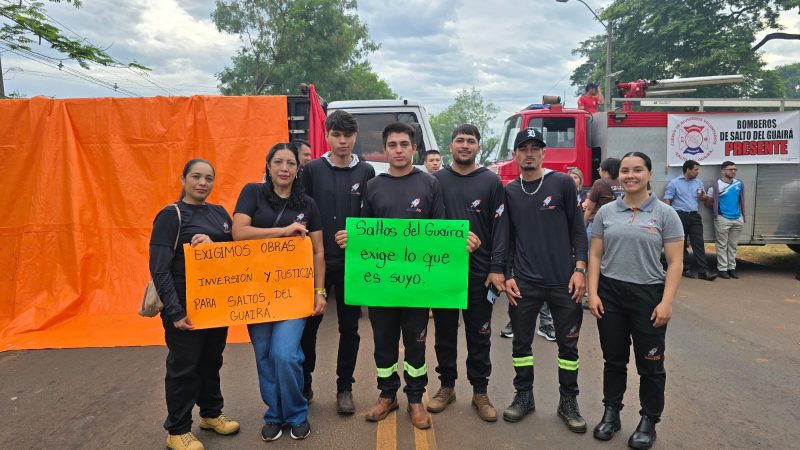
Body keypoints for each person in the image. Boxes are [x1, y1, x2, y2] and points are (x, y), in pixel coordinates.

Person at [334, 122, 478, 430]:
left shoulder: (429, 184)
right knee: (384, 344)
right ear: (384, 150)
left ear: (414, 148)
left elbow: (440, 233)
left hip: (418, 286)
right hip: (382, 287)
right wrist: (351, 239)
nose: (398, 150)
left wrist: (460, 242)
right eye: (392, 145)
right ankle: (388, 395)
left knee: (415, 345)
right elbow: (366, 234)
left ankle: (415, 398)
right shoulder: (374, 186)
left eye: (404, 144)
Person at [587, 151, 684, 450]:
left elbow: (676, 262)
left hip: (648, 296)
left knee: (650, 363)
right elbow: (595, 255)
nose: (630, 175)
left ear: (649, 174)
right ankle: (611, 412)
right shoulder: (607, 212)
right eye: (625, 170)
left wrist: (666, 302)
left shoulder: (665, 214)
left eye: (637, 170)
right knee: (613, 359)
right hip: (611, 294)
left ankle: (648, 420)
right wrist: (592, 293)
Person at [494, 128, 588, 432]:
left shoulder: (561, 183)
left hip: (564, 282)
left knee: (568, 347)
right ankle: (524, 397)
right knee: (521, 344)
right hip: (524, 283)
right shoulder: (510, 191)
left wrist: (580, 269)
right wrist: (508, 275)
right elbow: (507, 239)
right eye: (524, 148)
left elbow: (578, 230)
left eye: (535, 148)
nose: (530, 153)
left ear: (544, 153)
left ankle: (568, 402)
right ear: (515, 154)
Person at [232, 143, 327, 441]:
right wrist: (284, 230)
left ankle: (297, 413)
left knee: (285, 354)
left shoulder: (308, 204)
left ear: (299, 169)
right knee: (264, 356)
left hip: (292, 292)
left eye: (290, 163)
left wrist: (319, 292)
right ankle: (274, 414)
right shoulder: (251, 193)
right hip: (255, 291)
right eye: (278, 162)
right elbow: (239, 233)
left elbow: (318, 251)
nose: (284, 168)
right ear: (268, 166)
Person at [150, 158, 240, 450]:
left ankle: (211, 414)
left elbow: (236, 255)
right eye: (196, 177)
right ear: (183, 178)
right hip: (184, 306)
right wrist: (175, 311)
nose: (203, 183)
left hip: (215, 305)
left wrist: (216, 247)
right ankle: (177, 430)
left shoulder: (219, 214)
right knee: (183, 366)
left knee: (211, 361)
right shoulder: (171, 215)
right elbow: (160, 268)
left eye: (209, 178)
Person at [428, 124, 506, 422]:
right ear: (450, 146)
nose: (464, 145)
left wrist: (496, 268)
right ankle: (446, 386)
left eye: (470, 141)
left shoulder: (491, 182)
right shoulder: (434, 180)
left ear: (478, 147)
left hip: (479, 275)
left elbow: (501, 230)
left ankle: (480, 391)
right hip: (444, 275)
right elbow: (427, 228)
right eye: (459, 140)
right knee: (445, 335)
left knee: (480, 336)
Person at [300, 110, 375, 414]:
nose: (342, 141)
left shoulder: (367, 172)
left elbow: (372, 219)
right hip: (316, 263)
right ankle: (304, 386)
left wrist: (359, 237)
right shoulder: (312, 170)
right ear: (327, 136)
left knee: (350, 328)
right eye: (336, 135)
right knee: (309, 328)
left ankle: (345, 387)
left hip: (352, 265)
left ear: (355, 137)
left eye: (348, 136)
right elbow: (301, 211)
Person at [664, 160, 716, 280]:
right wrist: (670, 216)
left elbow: (702, 198)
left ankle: (703, 271)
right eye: (696, 169)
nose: (698, 172)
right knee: (681, 244)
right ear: (688, 170)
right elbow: (667, 199)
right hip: (679, 215)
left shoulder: (698, 182)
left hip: (694, 215)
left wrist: (703, 197)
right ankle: (686, 268)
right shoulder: (674, 183)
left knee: (698, 242)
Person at [704, 161, 745, 279]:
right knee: (722, 245)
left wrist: (741, 215)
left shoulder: (739, 183)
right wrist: (718, 209)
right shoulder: (716, 185)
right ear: (723, 171)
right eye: (730, 169)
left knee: (733, 245)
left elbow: (741, 200)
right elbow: (708, 203)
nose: (733, 171)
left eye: (735, 169)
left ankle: (731, 268)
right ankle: (722, 269)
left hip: (737, 219)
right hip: (723, 219)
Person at [583, 158, 623, 242]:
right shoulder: (623, 182)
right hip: (619, 224)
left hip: (598, 224)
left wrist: (584, 223)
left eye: (599, 169)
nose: (598, 171)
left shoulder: (599, 183)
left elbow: (589, 208)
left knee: (592, 253)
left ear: (605, 170)